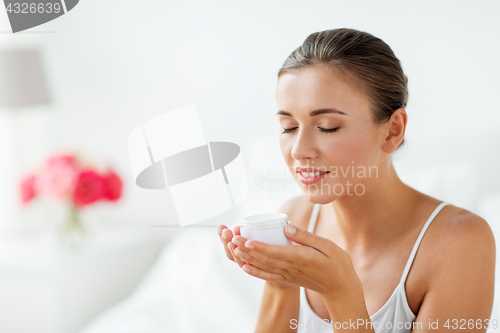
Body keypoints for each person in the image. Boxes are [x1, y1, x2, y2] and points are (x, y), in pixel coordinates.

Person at [217, 28, 495, 333]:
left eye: (327, 127)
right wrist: (281, 284)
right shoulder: (294, 220)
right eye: (288, 127)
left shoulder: (459, 243)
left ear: (392, 130)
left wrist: (341, 293)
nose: (299, 151)